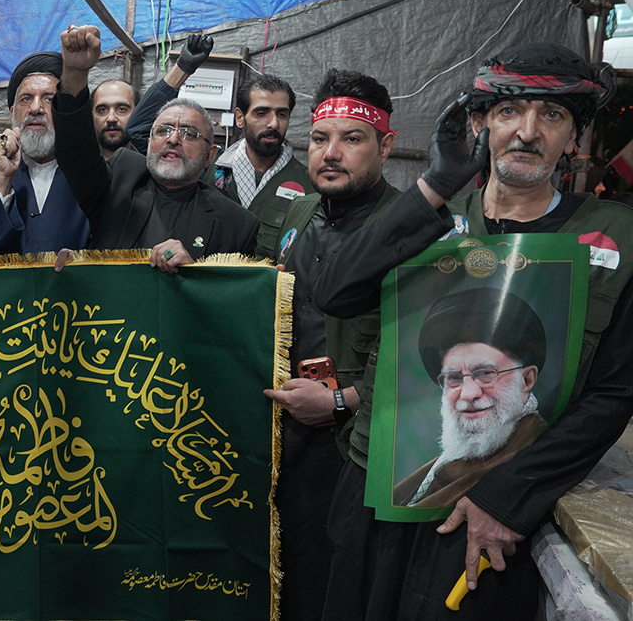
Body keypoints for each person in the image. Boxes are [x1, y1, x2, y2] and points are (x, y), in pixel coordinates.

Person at [314, 42, 629, 620]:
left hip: (492, 517)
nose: (527, 132)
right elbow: (334, 292)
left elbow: (614, 393)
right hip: (378, 494)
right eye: (509, 111)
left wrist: (509, 498)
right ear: (481, 125)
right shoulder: (428, 217)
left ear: (574, 139)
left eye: (552, 115)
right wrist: (435, 183)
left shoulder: (615, 239)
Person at [259, 68, 401, 621]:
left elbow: (424, 361)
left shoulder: (409, 228)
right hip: (287, 436)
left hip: (359, 449)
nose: (331, 153)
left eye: (352, 139)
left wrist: (340, 401)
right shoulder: (300, 211)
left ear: (385, 146)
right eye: (320, 138)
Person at [53, 25, 259, 270]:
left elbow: (237, 291)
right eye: (163, 130)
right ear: (148, 142)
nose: (173, 139)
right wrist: (75, 73)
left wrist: (196, 274)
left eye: (189, 133)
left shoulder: (236, 224)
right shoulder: (119, 182)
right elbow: (76, 152)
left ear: (209, 156)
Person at [394, 288, 547, 509]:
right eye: (454, 378)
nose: (468, 394)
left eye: (485, 373)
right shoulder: (456, 459)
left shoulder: (531, 461)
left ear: (526, 380)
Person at [0, 51, 90, 256]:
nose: (35, 108)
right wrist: (2, 184)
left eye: (49, 99)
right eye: (26, 99)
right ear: (12, 113)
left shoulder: (89, 178)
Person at [209, 74, 313, 251]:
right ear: (240, 118)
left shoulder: (308, 186)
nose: (273, 124)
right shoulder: (213, 173)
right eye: (262, 113)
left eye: (282, 114)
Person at [92, 78, 139, 160]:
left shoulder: (151, 165)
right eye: (102, 110)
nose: (111, 119)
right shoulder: (73, 163)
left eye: (122, 109)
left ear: (137, 114)